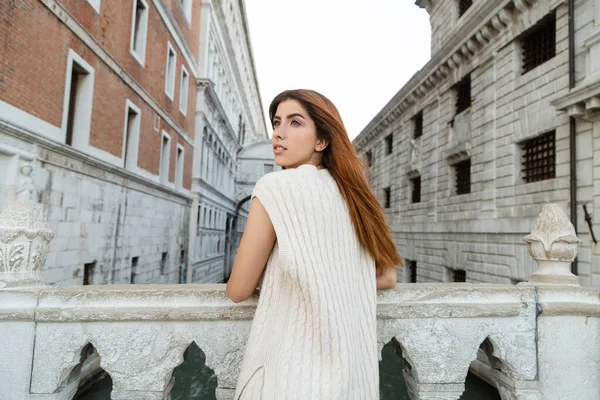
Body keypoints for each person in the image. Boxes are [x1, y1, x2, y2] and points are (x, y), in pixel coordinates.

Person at [226, 89, 403, 399]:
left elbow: (238, 289)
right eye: (277, 123)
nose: (278, 133)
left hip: (288, 378)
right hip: (350, 381)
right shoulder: (357, 196)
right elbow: (387, 277)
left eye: (295, 123)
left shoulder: (274, 186)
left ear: (322, 141)